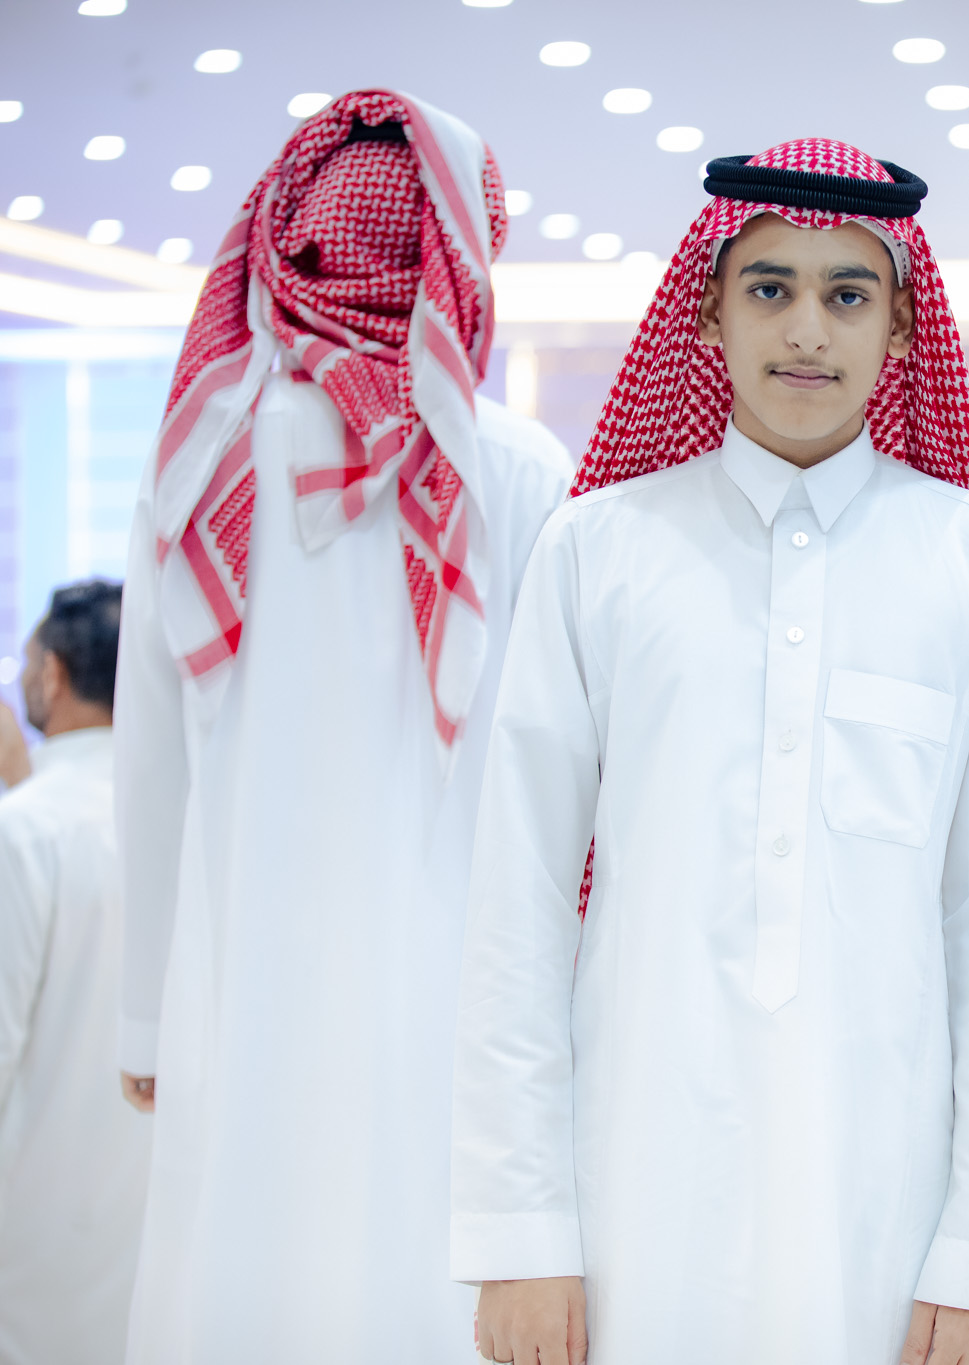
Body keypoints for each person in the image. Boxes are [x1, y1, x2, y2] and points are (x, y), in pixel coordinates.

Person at [451, 140, 969, 1365]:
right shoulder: (596, 550)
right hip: (629, 1191)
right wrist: (520, 1231)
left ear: (899, 327)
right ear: (709, 312)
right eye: (769, 287)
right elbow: (517, 907)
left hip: (884, 1204)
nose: (807, 330)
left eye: (848, 293)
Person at [113, 91, 570, 1363]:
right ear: (460, 256)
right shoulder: (518, 468)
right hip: (459, 972)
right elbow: (559, 776)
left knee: (245, 1257)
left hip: (240, 956)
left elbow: (150, 756)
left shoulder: (200, 461)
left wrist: (146, 1007)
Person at [0, 582, 151, 1364]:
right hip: (153, 1229)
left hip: (32, 1232)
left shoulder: (26, 830)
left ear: (53, 674)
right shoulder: (181, 820)